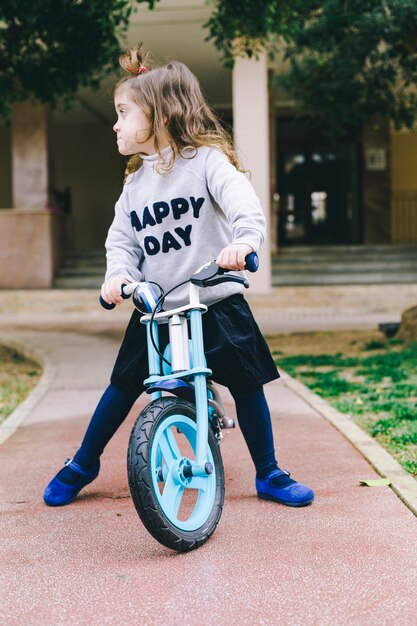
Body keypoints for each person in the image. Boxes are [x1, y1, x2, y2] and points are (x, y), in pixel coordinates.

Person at [43, 46, 314, 508]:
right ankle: (85, 461)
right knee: (123, 386)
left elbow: (241, 200)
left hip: (216, 300)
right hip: (159, 308)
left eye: (124, 113)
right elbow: (121, 243)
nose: (116, 124)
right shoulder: (134, 186)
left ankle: (268, 471)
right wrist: (118, 278)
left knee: (248, 384)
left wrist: (244, 242)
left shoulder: (206, 162)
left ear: (160, 115)